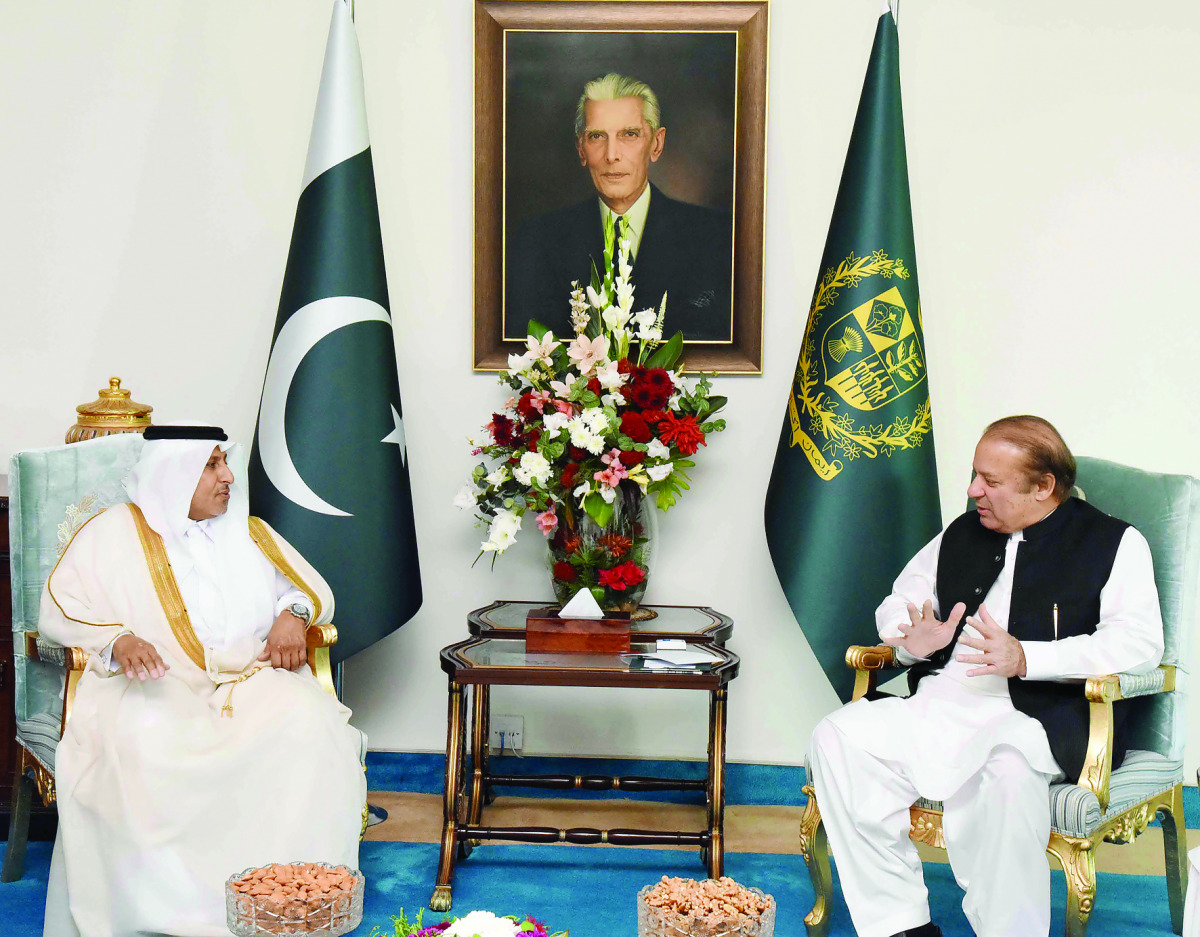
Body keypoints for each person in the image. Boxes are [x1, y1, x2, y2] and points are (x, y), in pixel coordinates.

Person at [808, 415, 1164, 937]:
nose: (974, 490)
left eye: (990, 481)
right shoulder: (963, 531)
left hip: (1036, 719)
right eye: (975, 475)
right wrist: (910, 638)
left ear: (1043, 486)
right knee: (837, 737)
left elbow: (1139, 644)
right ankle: (900, 925)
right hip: (941, 703)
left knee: (1008, 774)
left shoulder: (1114, 542)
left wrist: (1028, 658)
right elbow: (900, 600)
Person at [40, 425, 366, 937]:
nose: (228, 476)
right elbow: (61, 608)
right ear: (173, 474)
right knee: (141, 741)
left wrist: (293, 615)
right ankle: (173, 913)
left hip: (249, 679)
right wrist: (117, 640)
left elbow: (303, 588)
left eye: (224, 462)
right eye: (212, 465)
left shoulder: (249, 532)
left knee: (309, 722)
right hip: (154, 681)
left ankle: (288, 898)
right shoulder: (111, 534)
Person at [506, 72, 734, 342]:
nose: (612, 154)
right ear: (581, 149)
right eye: (597, 136)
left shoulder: (717, 237)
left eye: (630, 134)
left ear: (656, 144)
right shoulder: (537, 240)